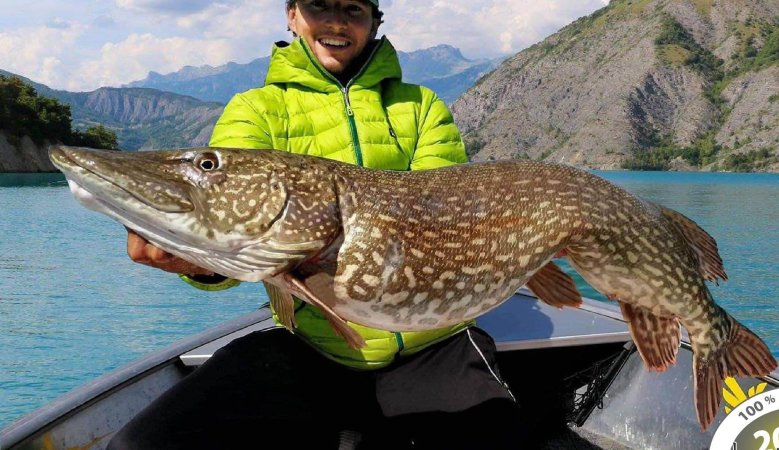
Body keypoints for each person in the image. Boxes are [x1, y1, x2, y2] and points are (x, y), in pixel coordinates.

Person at [108, 1, 528, 449]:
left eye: (353, 9)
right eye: (319, 6)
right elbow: (236, 225)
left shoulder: (421, 107)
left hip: (434, 346)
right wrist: (196, 260)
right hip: (312, 349)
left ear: (373, 21)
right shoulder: (256, 111)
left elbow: (445, 216)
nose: (336, 21)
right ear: (292, 15)